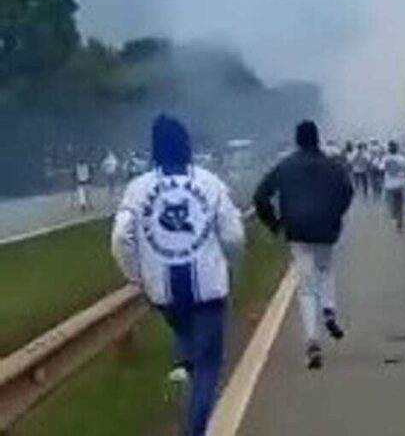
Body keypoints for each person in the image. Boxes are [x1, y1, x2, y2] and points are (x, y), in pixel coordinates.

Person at [111, 115, 245, 436]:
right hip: (209, 290)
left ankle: (181, 366)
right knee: (210, 364)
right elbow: (235, 236)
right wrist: (229, 263)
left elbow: (120, 238)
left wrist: (137, 275)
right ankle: (194, 428)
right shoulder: (210, 183)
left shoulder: (137, 189)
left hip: (165, 294)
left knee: (188, 339)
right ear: (188, 146)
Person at [254, 121, 354, 370]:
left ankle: (312, 339)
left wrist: (275, 224)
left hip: (297, 231)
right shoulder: (333, 165)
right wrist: (336, 215)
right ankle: (329, 308)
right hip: (326, 229)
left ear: (297, 140)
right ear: (317, 139)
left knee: (306, 287)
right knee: (326, 268)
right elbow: (348, 191)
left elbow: (260, 196)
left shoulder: (285, 166)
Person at [382, 141, 405, 231]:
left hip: (389, 186)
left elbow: (380, 168)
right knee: (400, 206)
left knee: (391, 204)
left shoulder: (385, 159)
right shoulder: (402, 159)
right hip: (400, 185)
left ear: (389, 149)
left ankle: (394, 216)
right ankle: (399, 224)